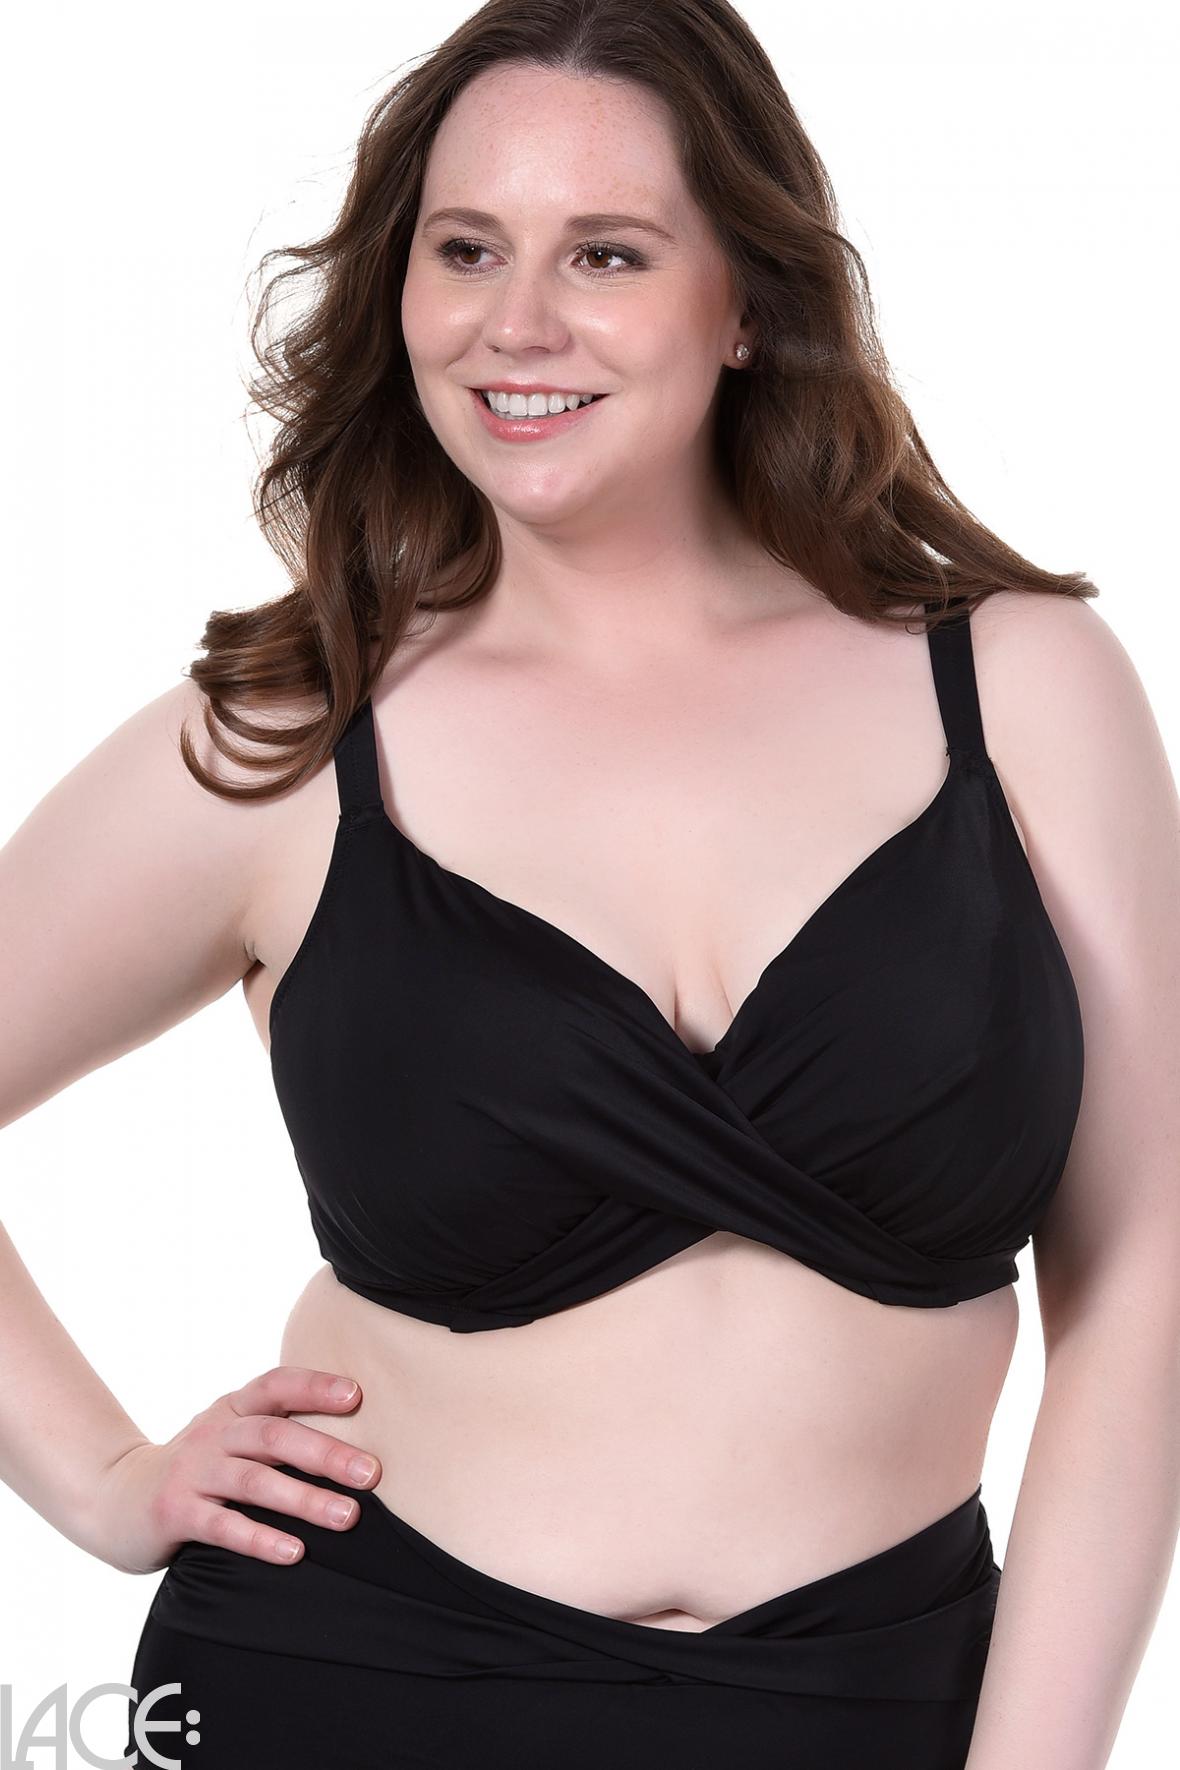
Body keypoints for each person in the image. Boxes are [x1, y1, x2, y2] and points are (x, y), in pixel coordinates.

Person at [2, 3, 1177, 1767]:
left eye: (606, 253)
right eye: (466, 249)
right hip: (349, 1689)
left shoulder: (1018, 684)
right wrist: (100, 1477)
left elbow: (1147, 1273)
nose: (517, 322)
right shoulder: (293, 733)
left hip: (887, 1707)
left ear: (747, 301)